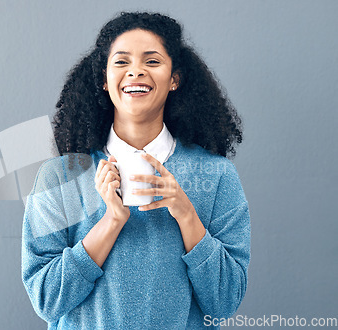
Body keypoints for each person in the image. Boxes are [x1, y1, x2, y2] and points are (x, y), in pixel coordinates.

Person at [21, 12, 250, 329]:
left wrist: (187, 215)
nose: (136, 71)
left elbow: (224, 302)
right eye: (121, 62)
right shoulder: (59, 178)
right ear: (103, 78)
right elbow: (46, 300)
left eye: (152, 61)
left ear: (175, 79)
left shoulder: (217, 175)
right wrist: (110, 222)